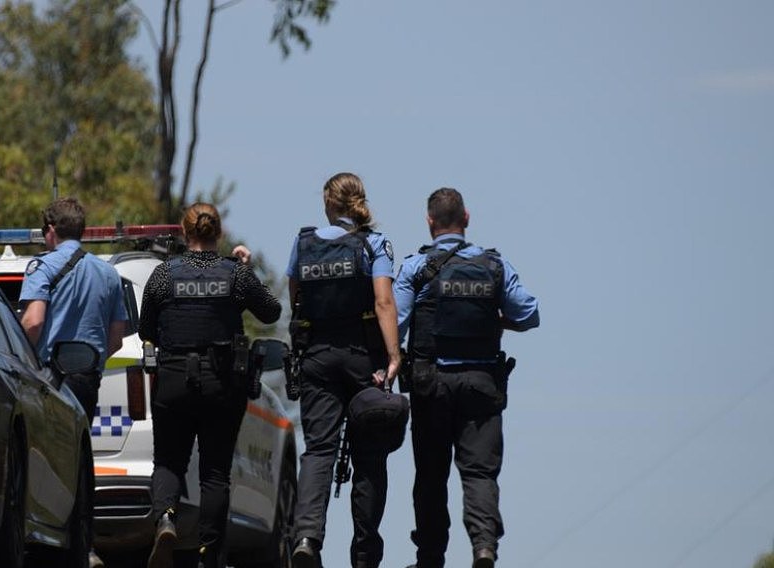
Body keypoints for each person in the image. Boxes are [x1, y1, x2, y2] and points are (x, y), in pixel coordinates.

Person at [393, 187, 540, 568]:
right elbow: (529, 314)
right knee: (480, 473)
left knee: (430, 475)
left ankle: (429, 558)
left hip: (431, 384)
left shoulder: (414, 268)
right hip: (482, 384)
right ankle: (484, 549)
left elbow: (395, 325)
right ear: (467, 218)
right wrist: (497, 321)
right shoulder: (494, 266)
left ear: (429, 222)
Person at [139, 202, 281, 568]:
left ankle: (166, 518)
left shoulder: (162, 275)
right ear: (218, 234)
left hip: (172, 377)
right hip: (221, 381)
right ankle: (208, 554)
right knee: (215, 472)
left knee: (168, 461)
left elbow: (146, 330)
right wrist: (245, 270)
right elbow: (271, 311)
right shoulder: (234, 275)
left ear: (185, 234)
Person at [286, 172, 402, 568]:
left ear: (328, 204)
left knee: (318, 450)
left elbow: (295, 299)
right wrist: (393, 357)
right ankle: (365, 551)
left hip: (317, 356)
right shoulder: (373, 244)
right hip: (362, 358)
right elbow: (384, 302)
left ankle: (305, 538)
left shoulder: (303, 243)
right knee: (370, 455)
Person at [20, 196, 129, 568]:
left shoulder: (42, 267)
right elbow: (115, 339)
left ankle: (47, 541)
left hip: (49, 378)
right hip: (87, 379)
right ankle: (85, 546)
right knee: (81, 460)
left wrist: (17, 356)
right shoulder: (109, 273)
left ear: (50, 231)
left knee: (45, 460)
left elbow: (33, 322)